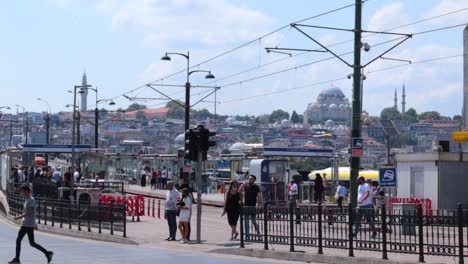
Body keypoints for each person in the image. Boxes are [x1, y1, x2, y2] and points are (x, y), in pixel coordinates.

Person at [9, 184, 53, 264]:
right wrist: (34, 222)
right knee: (20, 240)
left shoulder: (31, 200)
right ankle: (17, 259)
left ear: (27, 191)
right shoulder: (27, 199)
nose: (22, 193)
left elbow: (31, 212)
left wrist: (19, 217)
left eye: (23, 191)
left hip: (28, 224)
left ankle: (48, 253)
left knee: (31, 243)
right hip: (26, 223)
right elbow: (32, 213)